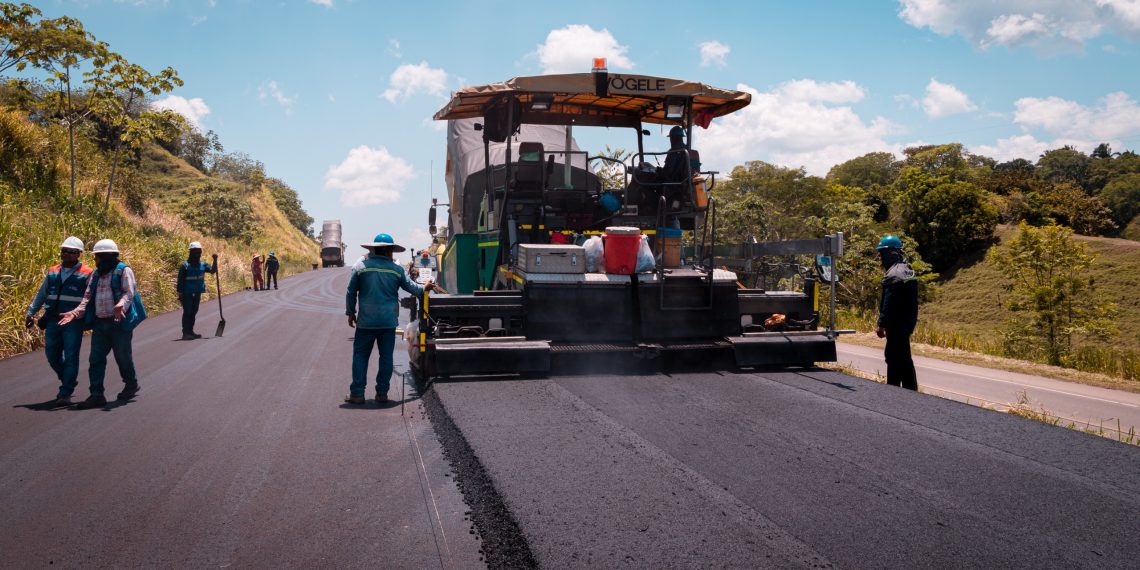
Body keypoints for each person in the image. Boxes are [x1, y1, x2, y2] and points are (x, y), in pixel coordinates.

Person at [344, 233, 435, 405]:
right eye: (392, 250)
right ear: (387, 251)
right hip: (388, 321)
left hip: (366, 321)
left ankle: (357, 394)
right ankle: (382, 393)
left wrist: (350, 313)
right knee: (386, 357)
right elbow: (413, 288)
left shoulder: (361, 266)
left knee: (360, 356)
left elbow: (351, 291)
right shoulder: (396, 269)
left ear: (374, 249)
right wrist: (426, 287)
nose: (393, 254)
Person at [58, 239, 144, 409]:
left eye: (97, 257)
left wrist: (121, 305)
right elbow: (87, 298)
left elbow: (129, 292)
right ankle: (96, 395)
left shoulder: (123, 271)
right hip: (100, 324)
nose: (95, 260)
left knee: (122, 357)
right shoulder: (96, 274)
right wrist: (74, 313)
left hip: (119, 323)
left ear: (106, 257)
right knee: (95, 359)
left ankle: (131, 384)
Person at [24, 236, 93, 406]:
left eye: (71, 252)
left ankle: (65, 392)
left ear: (79, 254)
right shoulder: (53, 271)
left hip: (73, 321)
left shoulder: (87, 273)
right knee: (51, 354)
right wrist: (31, 312)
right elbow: (42, 292)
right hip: (53, 319)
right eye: (64, 251)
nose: (66, 254)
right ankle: (67, 379)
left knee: (71, 356)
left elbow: (90, 297)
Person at [875, 235, 919, 391]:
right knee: (905, 358)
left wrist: (881, 324)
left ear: (890, 253)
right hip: (907, 324)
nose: (881, 258)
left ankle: (893, 391)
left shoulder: (893, 274)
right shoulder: (907, 270)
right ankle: (910, 390)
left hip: (896, 324)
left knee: (893, 357)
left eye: (882, 254)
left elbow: (888, 302)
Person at [176, 241, 217, 340]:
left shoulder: (203, 264)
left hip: (197, 292)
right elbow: (180, 281)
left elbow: (212, 271)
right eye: (195, 251)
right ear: (190, 252)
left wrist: (215, 260)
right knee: (188, 311)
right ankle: (185, 333)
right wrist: (180, 294)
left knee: (194, 311)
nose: (197, 254)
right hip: (187, 293)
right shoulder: (184, 266)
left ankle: (190, 331)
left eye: (199, 251)